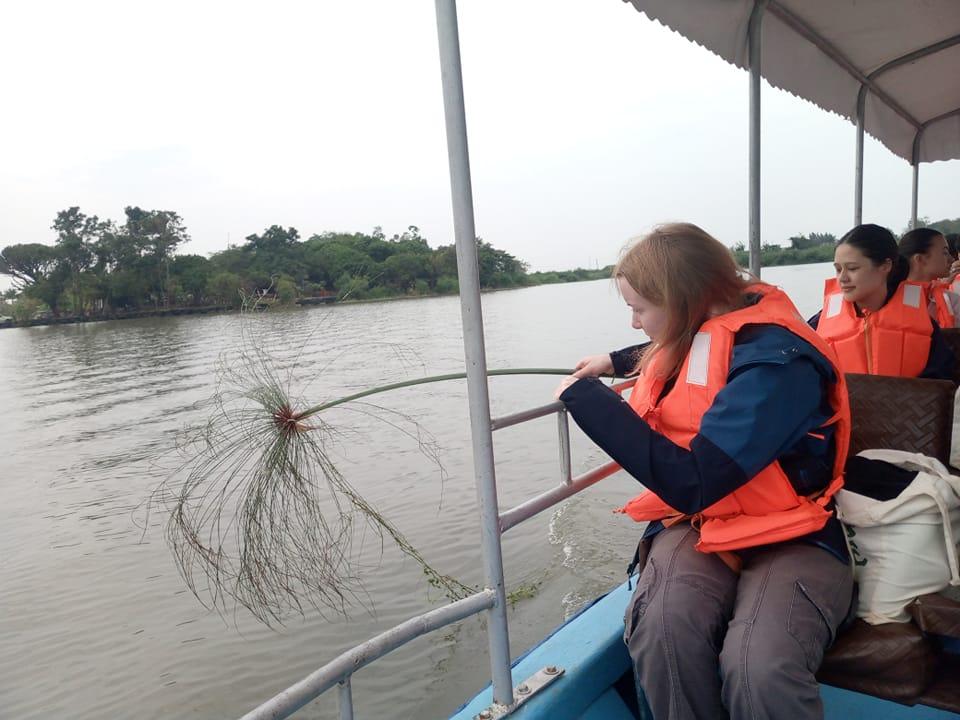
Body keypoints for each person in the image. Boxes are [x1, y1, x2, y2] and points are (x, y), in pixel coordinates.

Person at [554, 223, 853, 720]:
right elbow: (688, 352)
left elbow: (694, 483)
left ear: (685, 301)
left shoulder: (780, 368)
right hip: (704, 525)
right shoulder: (707, 323)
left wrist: (585, 400)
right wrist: (614, 361)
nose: (634, 324)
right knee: (663, 629)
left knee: (760, 667)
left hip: (791, 528)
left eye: (639, 309)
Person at [810, 223, 954, 379]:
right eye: (838, 269)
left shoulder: (923, 323)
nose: (842, 279)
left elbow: (943, 379)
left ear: (886, 266)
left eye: (852, 268)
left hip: (909, 395)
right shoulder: (818, 324)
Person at [899, 227, 960, 328]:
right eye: (945, 253)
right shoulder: (891, 298)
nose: (952, 259)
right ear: (920, 259)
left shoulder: (952, 300)